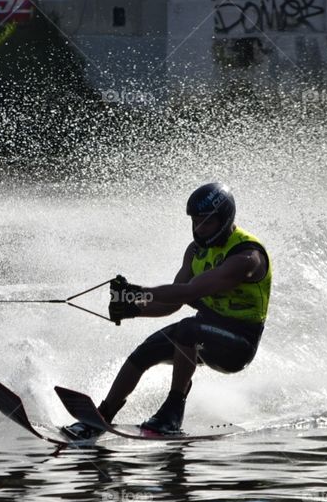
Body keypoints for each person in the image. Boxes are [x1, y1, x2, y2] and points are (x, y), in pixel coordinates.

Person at [62, 182, 272, 439]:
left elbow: (188, 292)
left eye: (206, 222)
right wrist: (132, 309)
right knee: (146, 350)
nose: (199, 228)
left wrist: (136, 292)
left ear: (224, 219)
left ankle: (172, 412)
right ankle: (102, 416)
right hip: (202, 331)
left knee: (188, 330)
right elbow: (173, 302)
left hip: (238, 345)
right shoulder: (195, 251)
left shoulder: (247, 257)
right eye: (195, 222)